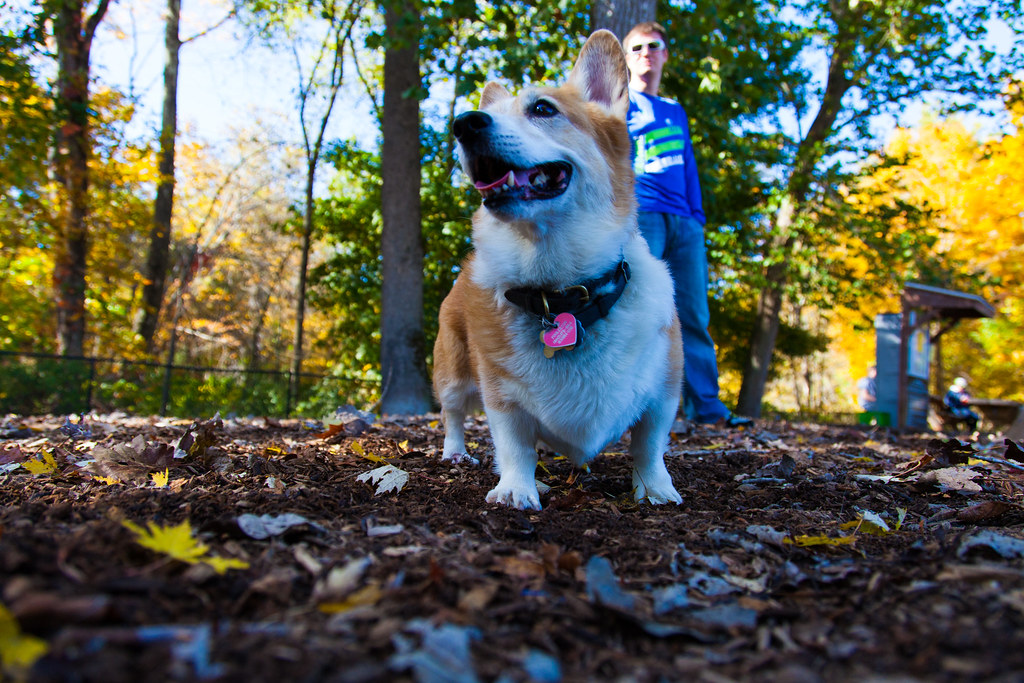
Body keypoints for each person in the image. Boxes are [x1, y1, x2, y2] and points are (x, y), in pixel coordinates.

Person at [622, 22, 751, 428]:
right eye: (637, 47)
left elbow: (689, 167)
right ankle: (632, 408)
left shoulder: (675, 111)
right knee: (638, 308)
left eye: (653, 46)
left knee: (694, 313)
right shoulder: (620, 103)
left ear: (664, 55)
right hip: (644, 217)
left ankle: (707, 408)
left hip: (685, 226)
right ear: (627, 58)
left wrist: (697, 217)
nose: (646, 53)